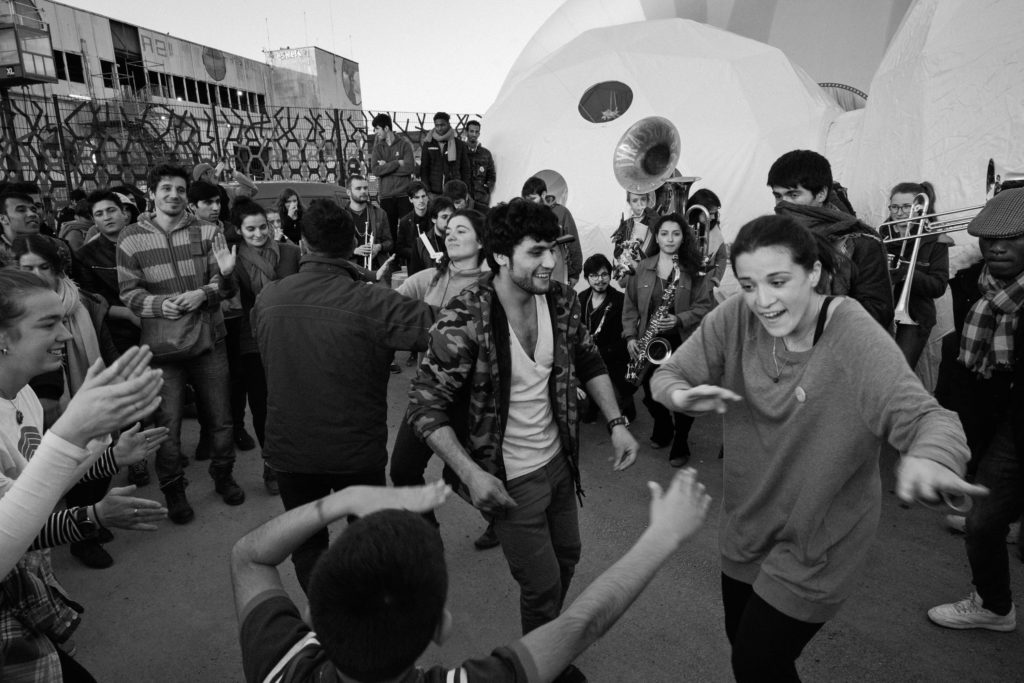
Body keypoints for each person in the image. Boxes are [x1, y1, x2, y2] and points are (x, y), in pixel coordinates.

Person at [650, 214, 979, 681]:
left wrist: (932, 457)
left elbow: (928, 416)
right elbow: (667, 374)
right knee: (746, 647)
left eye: (778, 281)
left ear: (814, 273)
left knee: (756, 660)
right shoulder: (736, 315)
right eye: (748, 284)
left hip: (818, 541)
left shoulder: (850, 330)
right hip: (746, 526)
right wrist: (681, 395)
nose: (762, 300)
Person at [407, 200, 640, 668]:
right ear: (500, 257)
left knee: (569, 557)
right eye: (536, 252)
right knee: (542, 584)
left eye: (553, 249)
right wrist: (471, 475)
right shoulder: (465, 317)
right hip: (510, 480)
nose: (550, 263)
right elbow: (424, 407)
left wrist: (616, 422)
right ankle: (540, 666)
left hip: (559, 464)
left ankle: (546, 641)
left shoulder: (560, 299)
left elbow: (589, 357)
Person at [233, 471, 711, 683]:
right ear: (441, 626)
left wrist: (343, 500)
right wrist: (663, 534)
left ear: (314, 611)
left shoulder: (281, 663)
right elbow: (581, 624)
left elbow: (249, 557)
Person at [251, 198, 434, 592]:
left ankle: (325, 618)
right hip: (354, 450)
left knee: (307, 543)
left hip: (291, 449)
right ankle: (363, 618)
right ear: (353, 243)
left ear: (302, 244)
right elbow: (441, 330)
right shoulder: (373, 299)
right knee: (366, 539)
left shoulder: (269, 298)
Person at [1, 272, 168, 681]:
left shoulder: (21, 393)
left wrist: (110, 457)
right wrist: (90, 514)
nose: (67, 335)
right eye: (47, 324)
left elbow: (33, 494)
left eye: (63, 320)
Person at [117, 163, 244, 524]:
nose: (173, 195)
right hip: (162, 348)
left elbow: (225, 285)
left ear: (187, 195)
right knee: (166, 425)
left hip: (209, 339)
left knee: (221, 418)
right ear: (152, 192)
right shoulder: (130, 237)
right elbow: (128, 292)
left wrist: (202, 293)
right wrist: (162, 304)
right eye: (166, 189)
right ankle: (174, 489)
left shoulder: (208, 231)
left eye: (179, 189)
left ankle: (224, 475)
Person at [928, 188, 1024, 632]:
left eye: (1012, 237)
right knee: (983, 520)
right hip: (1000, 421)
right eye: (987, 239)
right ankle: (994, 605)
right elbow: (956, 362)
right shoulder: (970, 287)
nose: (997, 247)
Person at [14, 234, 126, 568]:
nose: (37, 275)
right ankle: (82, 536)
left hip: (89, 392)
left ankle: (89, 520)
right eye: (27, 268)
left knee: (99, 458)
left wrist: (118, 382)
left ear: (59, 268)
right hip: (41, 404)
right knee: (64, 466)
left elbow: (104, 345)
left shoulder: (83, 302)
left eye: (44, 267)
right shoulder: (13, 313)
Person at [390, 209, 486, 529]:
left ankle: (504, 524)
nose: (451, 235)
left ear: (481, 240)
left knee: (466, 473)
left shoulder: (493, 285)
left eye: (462, 230)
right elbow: (392, 304)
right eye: (449, 230)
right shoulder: (433, 276)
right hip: (428, 392)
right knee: (403, 470)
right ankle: (428, 536)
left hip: (471, 398)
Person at [622, 213, 714, 468]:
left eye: (675, 233)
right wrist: (630, 335)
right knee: (651, 394)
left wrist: (679, 319)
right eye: (664, 233)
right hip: (649, 341)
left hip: (683, 341)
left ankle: (680, 440)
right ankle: (663, 425)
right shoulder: (642, 267)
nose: (669, 239)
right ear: (657, 237)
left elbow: (706, 306)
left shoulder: (695, 269)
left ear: (683, 237)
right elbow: (629, 304)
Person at [768, 149, 894, 329]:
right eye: (778, 196)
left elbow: (878, 313)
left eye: (793, 195)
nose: (783, 204)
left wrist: (813, 310)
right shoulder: (776, 240)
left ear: (821, 194)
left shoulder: (860, 242)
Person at [74, 190, 148, 486]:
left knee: (156, 393)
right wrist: (129, 314)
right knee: (129, 398)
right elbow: (93, 299)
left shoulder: (145, 242)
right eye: (99, 214)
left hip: (155, 325)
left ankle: (160, 446)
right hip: (119, 332)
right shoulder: (86, 256)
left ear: (125, 212)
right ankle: (138, 459)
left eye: (111, 210)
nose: (107, 217)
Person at [230, 198, 301, 495]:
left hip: (289, 338)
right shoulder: (232, 259)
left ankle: (296, 458)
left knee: (292, 404)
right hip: (252, 341)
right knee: (262, 407)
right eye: (251, 229)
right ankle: (271, 464)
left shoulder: (290, 253)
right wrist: (223, 274)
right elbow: (228, 299)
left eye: (264, 227)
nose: (259, 234)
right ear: (239, 230)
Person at [188, 180, 258, 453]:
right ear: (193, 206)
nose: (216, 207)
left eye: (218, 202)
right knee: (206, 380)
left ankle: (238, 428)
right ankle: (208, 432)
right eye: (208, 203)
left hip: (236, 316)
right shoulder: (187, 236)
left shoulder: (231, 233)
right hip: (205, 316)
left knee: (237, 378)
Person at [879, 181, 951, 369]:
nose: (899, 212)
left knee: (899, 371)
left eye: (906, 207)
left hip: (916, 315)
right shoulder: (879, 237)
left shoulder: (935, 240)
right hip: (880, 313)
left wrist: (904, 271)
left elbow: (938, 286)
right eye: (894, 207)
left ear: (919, 208)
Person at [578, 254, 634, 423]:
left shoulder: (621, 300)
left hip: (615, 357)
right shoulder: (581, 298)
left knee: (620, 394)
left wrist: (604, 351)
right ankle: (593, 405)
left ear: (610, 275)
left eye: (604, 275)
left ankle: (628, 405)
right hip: (589, 355)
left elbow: (625, 335)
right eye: (593, 276)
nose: (599, 280)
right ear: (587, 278)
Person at [522, 178, 583, 287]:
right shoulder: (525, 215)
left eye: (533, 199)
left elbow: (573, 243)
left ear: (544, 194)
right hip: (532, 274)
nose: (529, 203)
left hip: (557, 273)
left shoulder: (561, 213)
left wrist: (574, 273)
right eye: (527, 200)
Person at [369, 113, 415, 230]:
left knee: (408, 229)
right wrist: (396, 163)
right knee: (389, 231)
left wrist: (386, 167)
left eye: (377, 128)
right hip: (386, 197)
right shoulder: (378, 148)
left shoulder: (405, 145)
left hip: (404, 195)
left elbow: (409, 168)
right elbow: (375, 171)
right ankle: (392, 250)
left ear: (386, 128)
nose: (375, 132)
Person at [345, 174, 392, 272]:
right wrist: (354, 251)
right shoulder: (341, 215)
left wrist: (379, 247)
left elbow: (389, 242)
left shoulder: (380, 213)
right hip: (351, 270)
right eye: (358, 188)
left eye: (365, 188)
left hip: (376, 268)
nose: (363, 191)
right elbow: (333, 248)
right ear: (349, 192)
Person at [611, 190, 660, 281]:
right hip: (630, 278)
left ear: (648, 201)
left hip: (652, 276)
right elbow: (617, 253)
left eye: (643, 199)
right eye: (635, 201)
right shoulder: (625, 224)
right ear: (629, 202)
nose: (639, 204)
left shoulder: (656, 221)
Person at [686, 188, 730, 286]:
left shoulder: (715, 229)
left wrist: (715, 278)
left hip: (706, 287)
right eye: (710, 213)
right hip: (685, 286)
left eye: (715, 213)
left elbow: (722, 257)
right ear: (696, 212)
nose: (714, 217)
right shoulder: (683, 228)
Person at [420, 112, 471, 196]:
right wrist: (427, 190)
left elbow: (465, 169)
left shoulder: (459, 144)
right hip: (434, 192)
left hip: (455, 191)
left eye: (442, 125)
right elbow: (424, 169)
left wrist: (465, 190)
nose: (439, 128)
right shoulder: (428, 143)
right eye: (437, 125)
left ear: (448, 124)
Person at [409, 196, 455, 276]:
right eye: (444, 217)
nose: (449, 220)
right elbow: (414, 278)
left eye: (451, 216)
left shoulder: (459, 240)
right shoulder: (420, 244)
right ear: (434, 219)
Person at [394, 181, 431, 274]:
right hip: (415, 269)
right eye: (417, 197)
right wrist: (418, 253)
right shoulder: (405, 222)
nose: (421, 200)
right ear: (410, 199)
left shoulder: (435, 217)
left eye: (423, 196)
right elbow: (400, 249)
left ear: (428, 197)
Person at [1, 190, 41, 267]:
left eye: (34, 210)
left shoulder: (53, 246)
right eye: (21, 210)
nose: (32, 214)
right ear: (3, 219)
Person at [465, 119, 496, 209]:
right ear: (466, 132)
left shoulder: (486, 153)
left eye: (476, 132)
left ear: (479, 134)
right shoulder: (461, 151)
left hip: (481, 198)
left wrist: (487, 186)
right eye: (471, 131)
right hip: (465, 198)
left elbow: (491, 174)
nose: (474, 134)